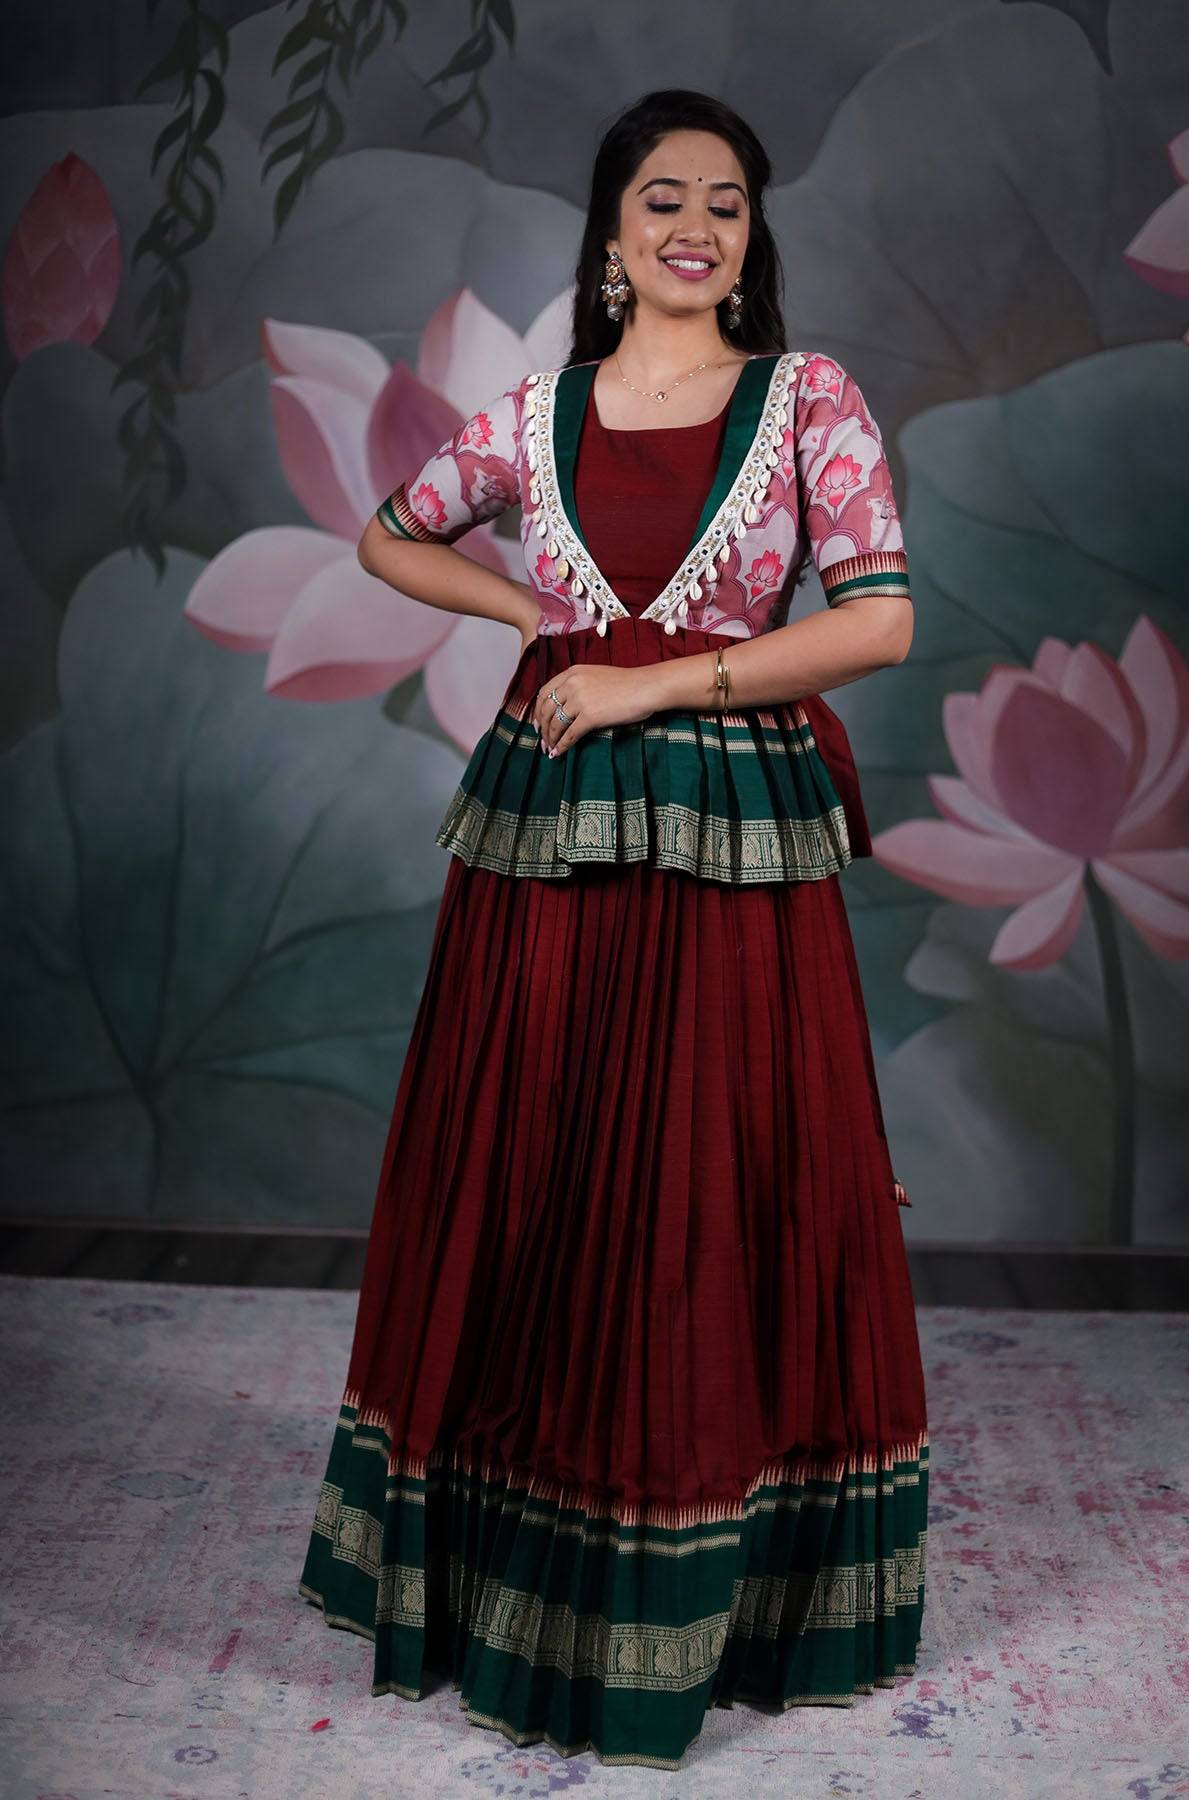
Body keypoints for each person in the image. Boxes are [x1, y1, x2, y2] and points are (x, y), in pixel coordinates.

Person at [297, 87, 928, 1771]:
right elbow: (388, 532)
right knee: (545, 1163)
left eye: (726, 201)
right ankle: (524, 1564)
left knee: (714, 1181)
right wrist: (537, 615)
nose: (694, 227)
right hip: (551, 838)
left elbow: (878, 623)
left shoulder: (810, 402)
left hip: (732, 838)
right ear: (609, 234)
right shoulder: (541, 409)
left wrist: (666, 679)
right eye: (664, 198)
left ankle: (728, 1589)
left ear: (749, 236)